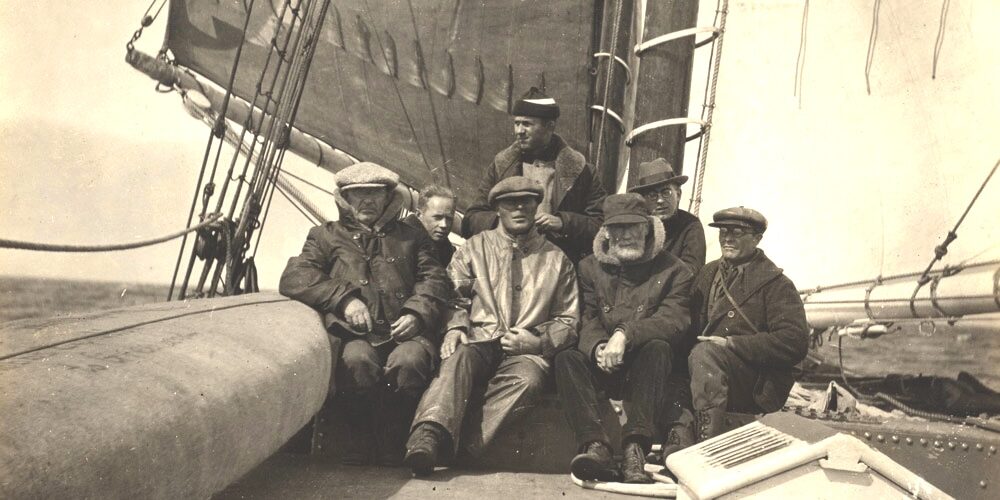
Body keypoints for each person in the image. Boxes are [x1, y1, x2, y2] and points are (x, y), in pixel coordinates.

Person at [404, 176, 580, 476]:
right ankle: (427, 435)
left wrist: (537, 341)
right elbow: (452, 297)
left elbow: (569, 319)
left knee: (528, 381)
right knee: (456, 359)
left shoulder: (557, 259)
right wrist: (456, 327)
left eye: (528, 202)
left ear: (537, 206)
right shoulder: (473, 249)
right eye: (511, 203)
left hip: (526, 349)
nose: (520, 208)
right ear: (498, 208)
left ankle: (465, 445)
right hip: (478, 338)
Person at [278, 162, 450, 466]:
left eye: (374, 193)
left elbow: (433, 279)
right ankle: (360, 443)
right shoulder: (325, 236)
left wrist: (416, 314)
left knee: (409, 363)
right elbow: (295, 276)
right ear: (345, 198)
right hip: (355, 335)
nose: (367, 201)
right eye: (359, 194)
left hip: (406, 333)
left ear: (387, 197)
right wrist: (344, 301)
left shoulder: (412, 236)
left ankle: (395, 442)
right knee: (357, 363)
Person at [555, 194, 693, 483]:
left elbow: (674, 321)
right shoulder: (590, 267)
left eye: (634, 227)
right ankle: (596, 446)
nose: (626, 235)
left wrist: (625, 334)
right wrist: (597, 348)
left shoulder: (674, 270)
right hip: (604, 361)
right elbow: (587, 317)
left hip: (647, 371)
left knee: (658, 348)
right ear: (605, 231)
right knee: (567, 358)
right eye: (617, 228)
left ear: (648, 228)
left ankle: (635, 450)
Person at [688, 207, 809, 441]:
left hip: (754, 383)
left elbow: (794, 342)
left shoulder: (776, 284)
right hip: (707, 375)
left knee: (705, 354)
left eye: (737, 232)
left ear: (757, 238)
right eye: (723, 231)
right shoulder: (708, 273)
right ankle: (674, 454)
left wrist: (732, 344)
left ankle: (706, 444)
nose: (728, 238)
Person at [461, 87, 607, 262]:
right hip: (505, 261)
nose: (519, 131)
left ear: (549, 126)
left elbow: (601, 226)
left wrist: (564, 223)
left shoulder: (582, 171)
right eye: (517, 123)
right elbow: (471, 219)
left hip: (559, 265)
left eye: (527, 124)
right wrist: (503, 223)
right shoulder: (501, 166)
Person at [629, 158, 706, 275]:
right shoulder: (635, 225)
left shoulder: (691, 225)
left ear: (678, 195)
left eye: (666, 193)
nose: (660, 200)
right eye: (652, 195)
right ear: (644, 200)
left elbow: (691, 270)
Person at [401, 184, 457, 266]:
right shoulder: (399, 242)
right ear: (419, 215)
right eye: (437, 217)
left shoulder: (449, 251)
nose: (444, 225)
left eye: (449, 219)